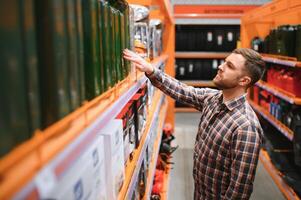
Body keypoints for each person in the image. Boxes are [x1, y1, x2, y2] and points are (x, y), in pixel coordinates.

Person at [123, 48, 265, 199]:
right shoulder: (213, 99)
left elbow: (239, 192)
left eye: (229, 66)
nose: (220, 67)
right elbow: (183, 91)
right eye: (224, 62)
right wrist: (151, 70)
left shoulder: (246, 127)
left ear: (244, 81)